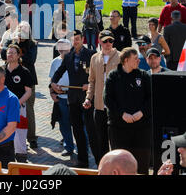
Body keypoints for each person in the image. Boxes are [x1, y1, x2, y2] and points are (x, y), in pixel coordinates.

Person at [51, 29, 100, 168]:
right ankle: (83, 160)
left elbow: (98, 74)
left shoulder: (91, 54)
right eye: (73, 39)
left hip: (88, 98)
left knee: (91, 130)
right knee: (77, 130)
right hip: (72, 99)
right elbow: (59, 72)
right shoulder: (68, 56)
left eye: (78, 39)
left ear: (83, 39)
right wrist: (53, 83)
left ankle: (98, 160)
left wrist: (90, 84)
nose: (75, 41)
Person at [104, 47, 152, 174]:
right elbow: (108, 99)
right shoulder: (113, 76)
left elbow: (151, 98)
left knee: (141, 165)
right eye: (135, 59)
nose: (138, 61)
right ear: (125, 60)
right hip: (119, 129)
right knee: (120, 164)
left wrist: (142, 112)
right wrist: (122, 114)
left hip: (141, 130)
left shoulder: (144, 75)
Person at [83, 30, 120, 162]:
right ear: (99, 42)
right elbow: (91, 81)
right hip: (99, 107)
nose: (108, 43)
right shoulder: (94, 58)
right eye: (105, 41)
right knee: (101, 140)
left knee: (115, 141)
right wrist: (88, 98)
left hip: (115, 108)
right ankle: (104, 167)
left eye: (110, 41)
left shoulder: (120, 57)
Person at [1, 21, 38, 149]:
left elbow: (30, 60)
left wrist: (18, 52)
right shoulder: (11, 41)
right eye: (20, 28)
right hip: (11, 79)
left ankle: (32, 138)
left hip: (27, 79)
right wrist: (14, 44)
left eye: (25, 29)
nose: (22, 31)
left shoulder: (32, 44)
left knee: (28, 110)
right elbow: (3, 54)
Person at [5, 44, 32, 162]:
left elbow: (28, 92)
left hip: (19, 107)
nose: (10, 55)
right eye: (8, 53)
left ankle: (21, 156)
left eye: (12, 53)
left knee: (19, 132)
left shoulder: (24, 71)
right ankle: (6, 154)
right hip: (3, 107)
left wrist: (18, 103)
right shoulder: (1, 70)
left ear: (18, 55)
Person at [48, 39, 75, 157]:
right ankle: (68, 146)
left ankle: (83, 145)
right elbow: (51, 80)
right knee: (64, 123)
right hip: (61, 97)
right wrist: (52, 93)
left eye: (65, 49)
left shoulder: (75, 60)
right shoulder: (55, 62)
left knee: (79, 123)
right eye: (61, 49)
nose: (63, 51)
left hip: (74, 96)